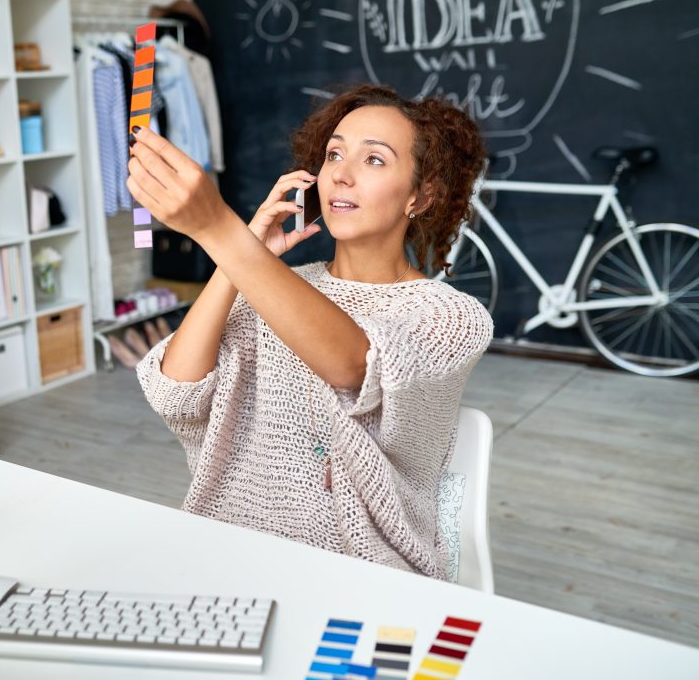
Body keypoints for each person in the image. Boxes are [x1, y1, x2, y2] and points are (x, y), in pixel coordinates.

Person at [129, 84, 493, 579]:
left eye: (375, 161)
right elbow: (175, 391)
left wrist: (221, 231)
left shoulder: (454, 319)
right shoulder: (276, 283)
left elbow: (354, 366)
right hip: (228, 547)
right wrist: (238, 260)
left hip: (359, 571)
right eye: (334, 154)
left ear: (421, 195)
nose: (340, 175)